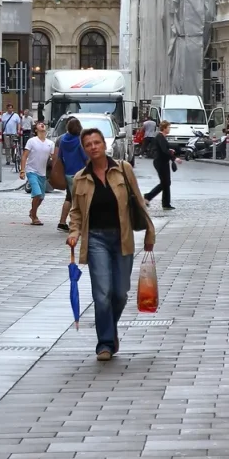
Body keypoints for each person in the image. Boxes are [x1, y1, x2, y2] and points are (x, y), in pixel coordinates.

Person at [66, 126, 156, 362]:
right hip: (95, 239)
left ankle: (110, 330)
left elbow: (138, 202)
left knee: (120, 293)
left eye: (96, 142)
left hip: (122, 237)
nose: (93, 147)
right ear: (84, 149)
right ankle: (105, 343)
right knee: (102, 293)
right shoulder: (80, 179)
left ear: (104, 145)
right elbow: (76, 212)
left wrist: (149, 232)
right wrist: (74, 232)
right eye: (88, 144)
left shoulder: (123, 170)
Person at [55, 117, 87, 231]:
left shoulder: (63, 140)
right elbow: (85, 157)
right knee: (81, 199)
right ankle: (78, 223)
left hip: (68, 173)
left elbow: (59, 157)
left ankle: (62, 222)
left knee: (69, 197)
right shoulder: (79, 140)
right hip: (80, 173)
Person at [143, 121, 182, 210]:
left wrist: (171, 153)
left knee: (167, 182)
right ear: (164, 128)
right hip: (160, 162)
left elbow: (165, 150)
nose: (169, 129)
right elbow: (164, 150)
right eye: (168, 127)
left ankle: (166, 203)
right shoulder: (160, 137)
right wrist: (175, 158)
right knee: (165, 182)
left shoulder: (162, 137)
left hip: (164, 161)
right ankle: (148, 197)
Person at [19, 121, 53, 225]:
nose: (42, 125)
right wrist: (22, 170)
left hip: (42, 173)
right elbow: (24, 156)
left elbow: (53, 158)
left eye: (43, 124)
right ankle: (34, 216)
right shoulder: (32, 141)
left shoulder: (50, 143)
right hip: (31, 170)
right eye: (39, 124)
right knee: (37, 194)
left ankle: (32, 211)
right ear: (36, 129)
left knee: (41, 197)